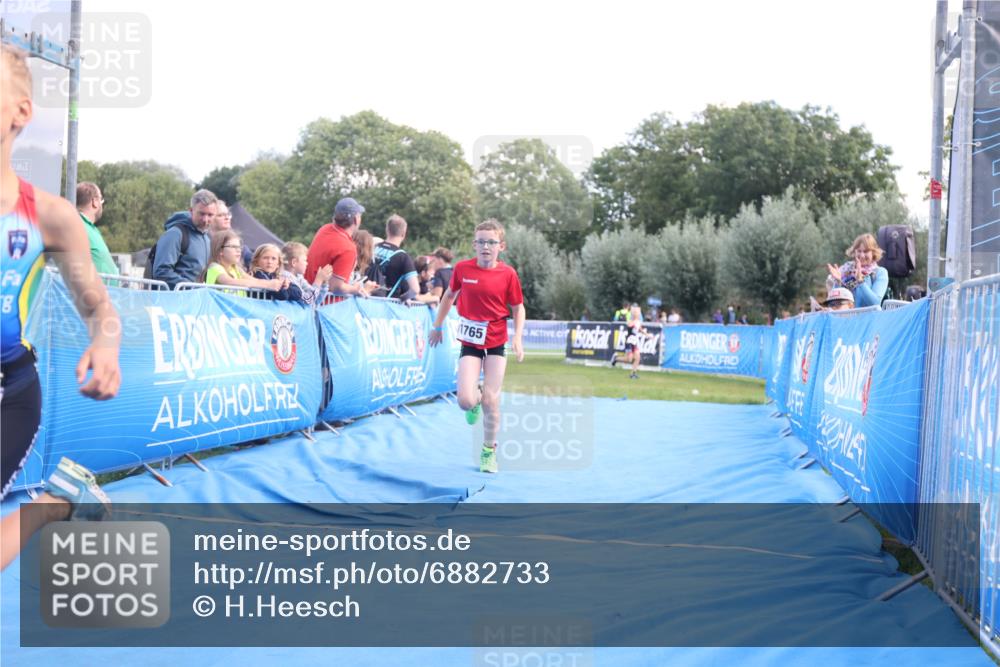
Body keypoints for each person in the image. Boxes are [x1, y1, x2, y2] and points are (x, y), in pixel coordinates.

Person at [1, 45, 121, 570]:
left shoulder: (49, 215)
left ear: (20, 112)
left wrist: (105, 344)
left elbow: (99, 306)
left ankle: (50, 508)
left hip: (8, 396)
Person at [428, 220, 525, 474]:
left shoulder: (508, 274)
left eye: (491, 242)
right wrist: (437, 326)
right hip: (470, 342)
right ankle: (476, 396)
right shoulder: (462, 269)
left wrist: (518, 337)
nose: (485, 246)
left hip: (496, 341)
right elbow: (449, 296)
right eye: (481, 241)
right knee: (464, 401)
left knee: (492, 400)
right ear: (474, 244)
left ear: (500, 246)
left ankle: (488, 451)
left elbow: (518, 308)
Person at [152, 189, 217, 288]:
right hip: (173, 299)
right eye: (201, 214)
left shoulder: (208, 238)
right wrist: (191, 287)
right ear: (191, 211)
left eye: (210, 215)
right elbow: (161, 272)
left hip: (195, 298)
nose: (205, 220)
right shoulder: (175, 234)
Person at [305, 197, 370, 297]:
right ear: (356, 220)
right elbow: (336, 287)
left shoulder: (324, 228)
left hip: (308, 295)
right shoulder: (348, 249)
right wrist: (355, 289)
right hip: (326, 305)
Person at [370, 214, 436, 303]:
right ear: (403, 234)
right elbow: (415, 289)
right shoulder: (403, 257)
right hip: (387, 304)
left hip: (365, 299)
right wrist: (403, 298)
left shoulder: (372, 248)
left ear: (387, 230)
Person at [203, 230, 283, 293]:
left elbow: (254, 281)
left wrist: (279, 283)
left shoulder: (236, 268)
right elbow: (230, 282)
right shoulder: (214, 267)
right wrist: (268, 285)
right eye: (233, 247)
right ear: (220, 250)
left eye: (239, 247)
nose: (239, 250)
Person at [827, 233, 889, 308]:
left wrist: (860, 281)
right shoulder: (846, 269)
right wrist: (837, 282)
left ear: (873, 253)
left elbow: (875, 303)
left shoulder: (880, 272)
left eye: (866, 251)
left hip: (869, 319)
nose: (862, 256)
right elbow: (834, 303)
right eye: (859, 251)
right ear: (854, 252)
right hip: (847, 318)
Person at [75, 181, 118, 275]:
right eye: (101, 200)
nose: (102, 205)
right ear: (94, 202)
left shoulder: (90, 228)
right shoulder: (77, 225)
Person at [281, 242, 332, 306]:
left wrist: (324, 283)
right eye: (305, 260)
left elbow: (315, 300)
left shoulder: (299, 277)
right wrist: (318, 281)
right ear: (294, 262)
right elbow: (308, 300)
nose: (307, 263)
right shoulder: (287, 278)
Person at [210, 199, 252, 270]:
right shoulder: (204, 244)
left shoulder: (240, 246)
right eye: (220, 215)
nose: (227, 218)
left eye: (228, 214)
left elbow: (253, 260)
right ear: (210, 218)